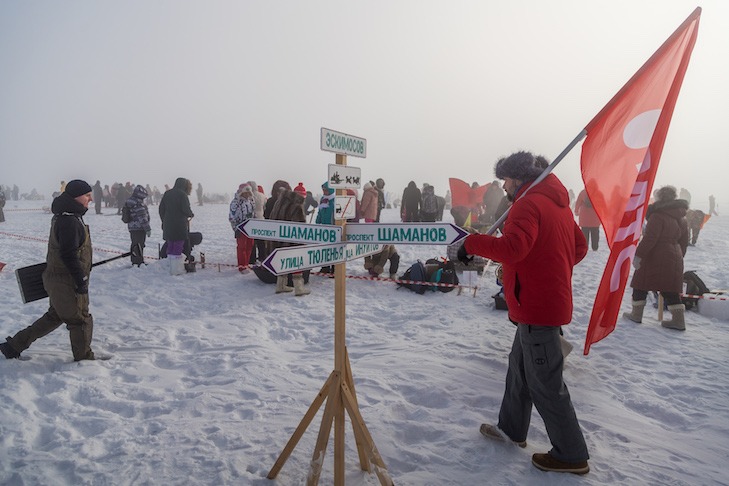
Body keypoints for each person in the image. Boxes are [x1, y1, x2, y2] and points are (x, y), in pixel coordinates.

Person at [457, 151, 590, 475]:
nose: (503, 185)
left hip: (538, 308)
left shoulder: (527, 204)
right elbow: (579, 248)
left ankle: (572, 456)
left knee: (545, 383)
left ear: (517, 178)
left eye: (505, 179)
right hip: (541, 303)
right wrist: (548, 267)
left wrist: (472, 243)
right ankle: (511, 430)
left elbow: (513, 249)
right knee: (519, 369)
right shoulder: (555, 203)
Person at [1, 180, 97, 361]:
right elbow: (68, 254)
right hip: (67, 282)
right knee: (79, 320)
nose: (90, 199)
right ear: (76, 197)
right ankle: (84, 360)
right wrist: (80, 279)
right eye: (87, 195)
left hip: (58, 279)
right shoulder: (69, 221)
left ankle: (14, 345)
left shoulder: (66, 216)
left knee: (55, 316)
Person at [623, 185, 689, 330]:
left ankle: (636, 314)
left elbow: (650, 238)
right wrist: (678, 256)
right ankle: (678, 320)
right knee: (670, 287)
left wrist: (638, 255)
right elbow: (684, 242)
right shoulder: (682, 218)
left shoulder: (658, 215)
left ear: (659, 198)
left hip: (655, 254)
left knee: (640, 283)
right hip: (675, 254)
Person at [268, 187, 310, 296]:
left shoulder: (279, 202)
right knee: (296, 261)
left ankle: (280, 285)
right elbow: (300, 228)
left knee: (283, 261)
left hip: (278, 239)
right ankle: (299, 287)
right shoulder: (296, 206)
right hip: (291, 241)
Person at [159, 178, 194, 276]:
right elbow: (185, 209)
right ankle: (176, 269)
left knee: (170, 245)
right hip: (179, 224)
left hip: (168, 224)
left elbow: (161, 209)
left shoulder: (167, 193)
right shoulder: (182, 195)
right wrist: (191, 214)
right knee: (178, 245)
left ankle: (169, 267)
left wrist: (164, 220)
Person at [229, 184, 256, 273]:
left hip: (250, 227)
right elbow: (232, 216)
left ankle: (246, 263)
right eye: (245, 193)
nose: (247, 194)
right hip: (240, 227)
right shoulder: (236, 202)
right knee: (242, 247)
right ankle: (242, 265)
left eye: (248, 193)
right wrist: (236, 227)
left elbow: (254, 214)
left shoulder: (251, 201)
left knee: (250, 246)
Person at [123, 184, 151, 266]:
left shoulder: (130, 201)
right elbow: (142, 217)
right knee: (139, 244)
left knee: (135, 243)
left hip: (132, 227)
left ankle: (135, 260)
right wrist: (147, 228)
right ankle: (138, 262)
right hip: (139, 227)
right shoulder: (138, 203)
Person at [315, 181, 336, 275]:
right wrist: (318, 221)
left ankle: (335, 268)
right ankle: (325, 267)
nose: (324, 192)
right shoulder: (323, 199)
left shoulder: (335, 200)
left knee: (334, 249)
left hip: (333, 228)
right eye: (323, 190)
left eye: (326, 190)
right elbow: (320, 211)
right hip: (324, 228)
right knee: (324, 248)